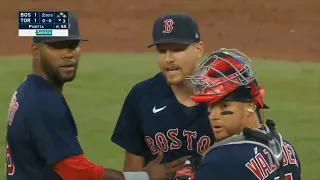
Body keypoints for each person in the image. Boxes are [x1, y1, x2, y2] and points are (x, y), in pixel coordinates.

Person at [5, 12, 188, 180]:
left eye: (73, 46)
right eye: (57, 47)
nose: (68, 54)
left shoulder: (29, 88)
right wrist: (143, 177)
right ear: (36, 51)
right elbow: (76, 171)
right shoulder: (44, 101)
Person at [172, 48, 301, 180]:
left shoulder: (224, 158)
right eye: (210, 106)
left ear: (250, 106)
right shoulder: (286, 148)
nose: (213, 115)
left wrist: (183, 174)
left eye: (224, 106)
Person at [110, 13, 216, 172]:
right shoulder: (141, 97)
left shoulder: (226, 95)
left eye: (177, 49)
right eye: (162, 50)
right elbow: (131, 172)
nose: (168, 58)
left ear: (198, 49)